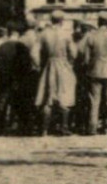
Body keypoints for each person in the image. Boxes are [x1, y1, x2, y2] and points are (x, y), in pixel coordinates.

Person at [32, 8, 78, 136]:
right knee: (65, 95)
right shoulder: (66, 34)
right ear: (62, 21)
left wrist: (39, 65)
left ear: (51, 20)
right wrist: (69, 63)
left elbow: (34, 53)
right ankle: (64, 127)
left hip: (49, 65)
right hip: (63, 65)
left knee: (47, 97)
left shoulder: (43, 34)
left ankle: (44, 130)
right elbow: (74, 53)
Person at [78, 14, 107, 136]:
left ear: (98, 22)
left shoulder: (91, 36)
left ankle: (92, 128)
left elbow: (83, 54)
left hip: (94, 71)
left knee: (94, 101)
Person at [0, 22, 34, 134]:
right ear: (17, 34)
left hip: (4, 78)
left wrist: (1, 73)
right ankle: (23, 127)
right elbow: (27, 65)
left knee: (1, 103)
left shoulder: (1, 47)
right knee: (21, 104)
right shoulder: (22, 47)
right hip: (19, 79)